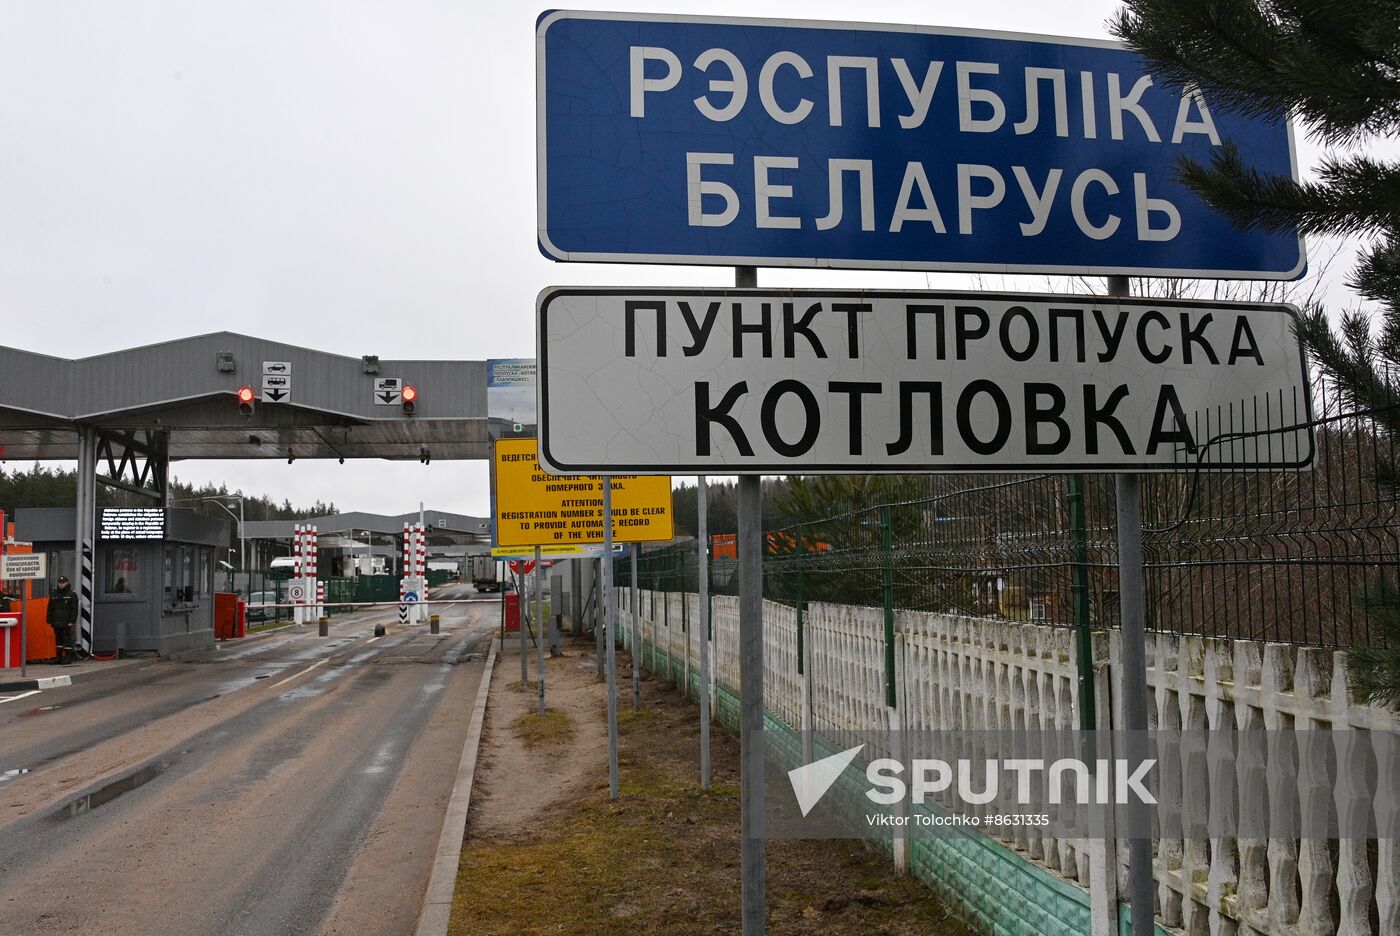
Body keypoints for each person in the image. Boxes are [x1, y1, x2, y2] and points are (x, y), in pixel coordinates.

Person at [47, 575, 79, 665]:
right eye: (60, 583)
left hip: (66, 622)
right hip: (56, 621)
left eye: (63, 583)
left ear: (67, 583)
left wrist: (72, 621)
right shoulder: (54, 594)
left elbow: (74, 609)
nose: (61, 584)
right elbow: (50, 608)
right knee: (58, 640)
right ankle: (58, 657)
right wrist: (49, 620)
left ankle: (68, 657)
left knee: (67, 640)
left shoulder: (72, 594)